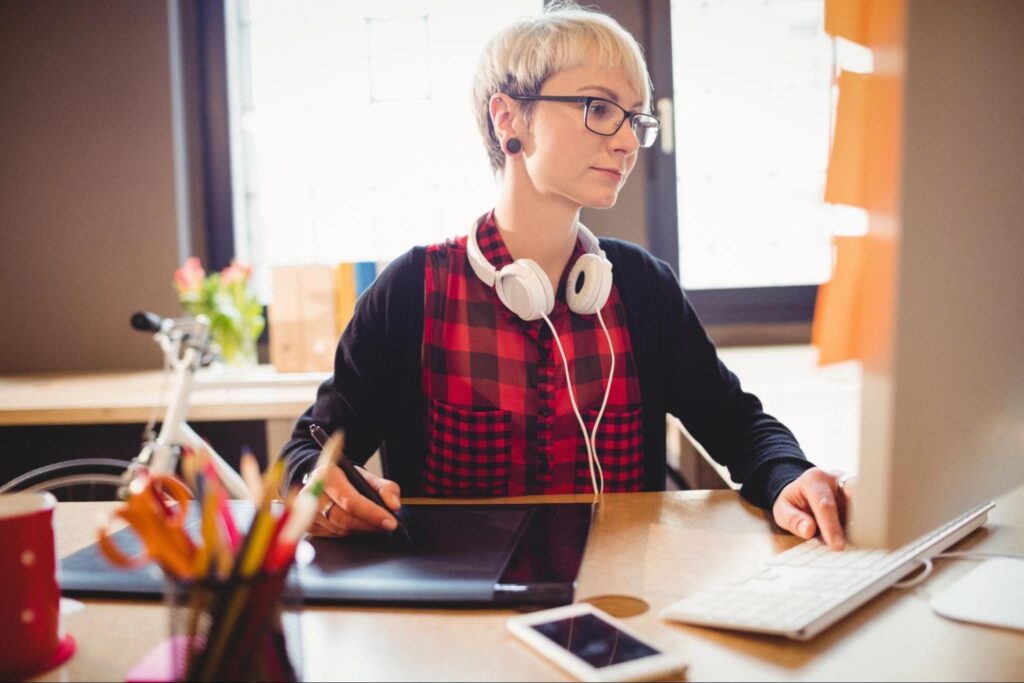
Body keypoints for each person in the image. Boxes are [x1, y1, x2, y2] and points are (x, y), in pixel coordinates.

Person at [280, 1, 850, 550]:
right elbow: (305, 454)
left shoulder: (642, 288)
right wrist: (316, 488)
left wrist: (787, 475)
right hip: (460, 625)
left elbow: (739, 426)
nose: (628, 142)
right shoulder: (411, 292)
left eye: (635, 119)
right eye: (599, 109)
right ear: (508, 118)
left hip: (623, 606)